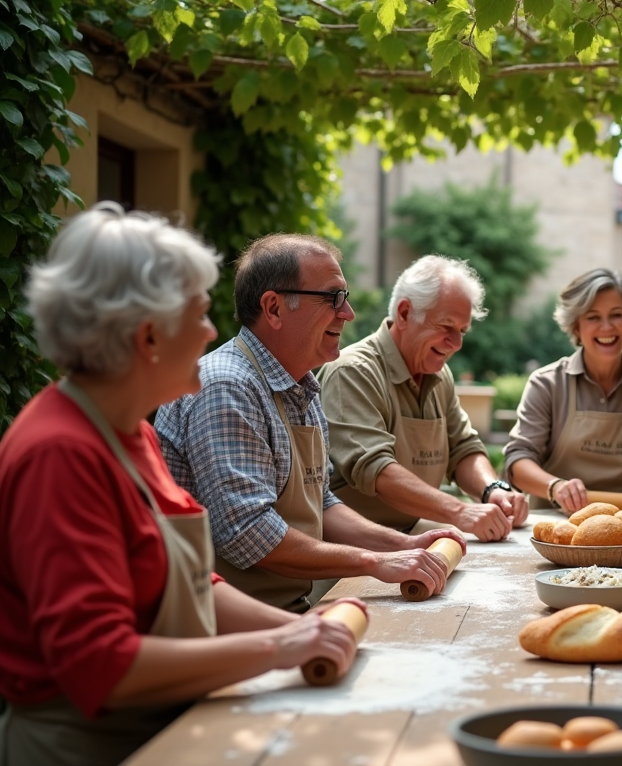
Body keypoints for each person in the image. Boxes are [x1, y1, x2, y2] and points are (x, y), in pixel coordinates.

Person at [0, 205, 360, 766]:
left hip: (168, 725)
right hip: (96, 748)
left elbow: (194, 582)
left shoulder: (129, 431)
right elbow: (100, 665)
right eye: (198, 314)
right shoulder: (59, 455)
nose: (213, 332)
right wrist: (278, 647)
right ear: (148, 336)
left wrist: (306, 630)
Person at [155, 235, 463, 612]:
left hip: (287, 610)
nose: (348, 313)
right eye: (333, 298)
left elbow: (323, 502)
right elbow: (249, 534)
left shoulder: (300, 385)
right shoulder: (226, 386)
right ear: (274, 308)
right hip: (226, 627)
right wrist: (375, 562)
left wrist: (402, 545)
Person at [319, 255, 528, 539]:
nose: (456, 344)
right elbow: (376, 470)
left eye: (462, 331)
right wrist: (460, 511)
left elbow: (463, 449)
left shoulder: (440, 376)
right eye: (446, 327)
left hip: (412, 537)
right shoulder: (352, 372)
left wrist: (493, 489)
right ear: (405, 313)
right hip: (353, 552)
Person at [503, 269, 622, 518]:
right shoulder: (546, 384)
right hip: (556, 528)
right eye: (593, 317)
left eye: (616, 315)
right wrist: (555, 487)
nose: (606, 327)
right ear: (576, 326)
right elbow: (517, 460)